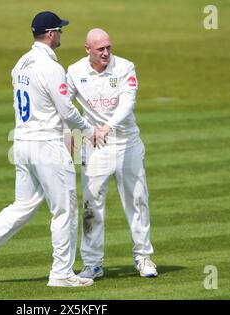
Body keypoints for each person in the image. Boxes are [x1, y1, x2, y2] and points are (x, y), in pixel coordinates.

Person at [0, 12, 106, 287]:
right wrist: (89, 131)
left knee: (22, 206)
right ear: (50, 34)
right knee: (65, 210)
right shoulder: (51, 68)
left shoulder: (20, 64)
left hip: (23, 143)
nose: (62, 34)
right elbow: (66, 111)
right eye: (60, 30)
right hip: (46, 145)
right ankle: (61, 273)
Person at [65, 28, 157, 279]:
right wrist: (70, 139)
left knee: (137, 199)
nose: (106, 53)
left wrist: (107, 126)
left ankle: (143, 257)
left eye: (109, 47)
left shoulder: (125, 67)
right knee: (92, 204)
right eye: (100, 49)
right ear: (87, 50)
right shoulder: (74, 71)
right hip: (94, 144)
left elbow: (128, 103)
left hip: (127, 142)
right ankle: (93, 264)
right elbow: (64, 107)